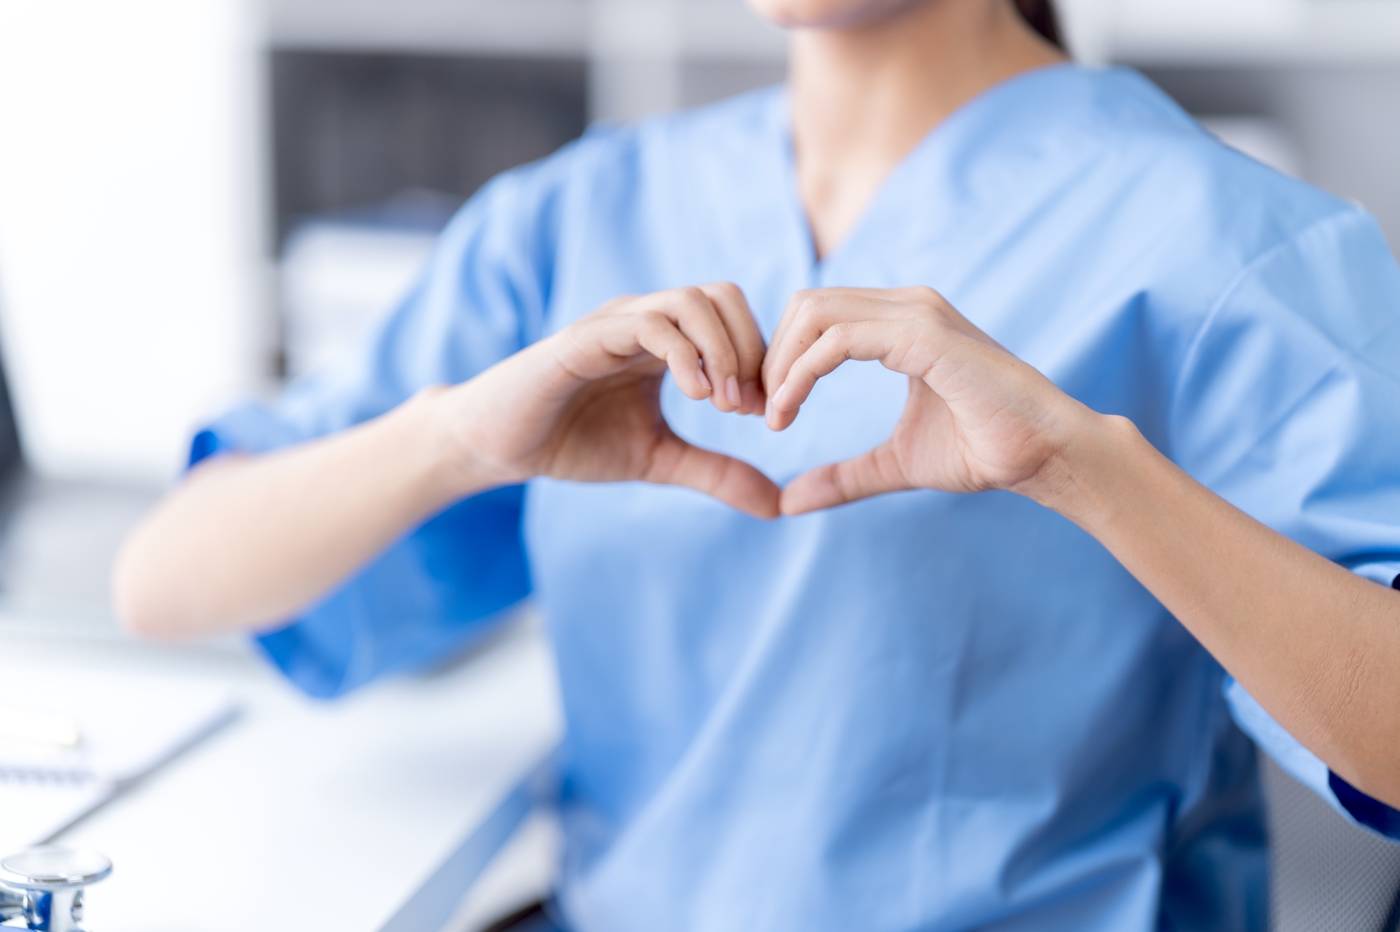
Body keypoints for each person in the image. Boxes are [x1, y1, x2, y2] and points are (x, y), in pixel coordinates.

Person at [114, 0, 1400, 928]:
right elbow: (167, 580)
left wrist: (1083, 467)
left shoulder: (1223, 242)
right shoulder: (582, 215)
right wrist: (452, 438)